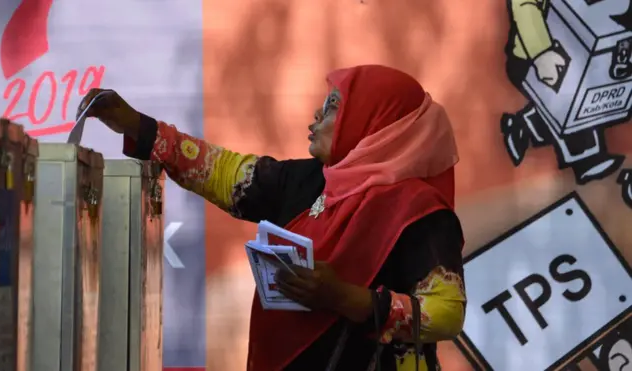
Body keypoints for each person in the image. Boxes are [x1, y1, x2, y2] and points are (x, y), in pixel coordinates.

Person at [80, 64, 466, 371]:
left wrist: (346, 298)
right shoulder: (312, 180)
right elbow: (225, 172)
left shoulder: (421, 211)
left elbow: (446, 313)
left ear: (375, 122)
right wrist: (137, 126)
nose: (318, 114)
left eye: (334, 105)